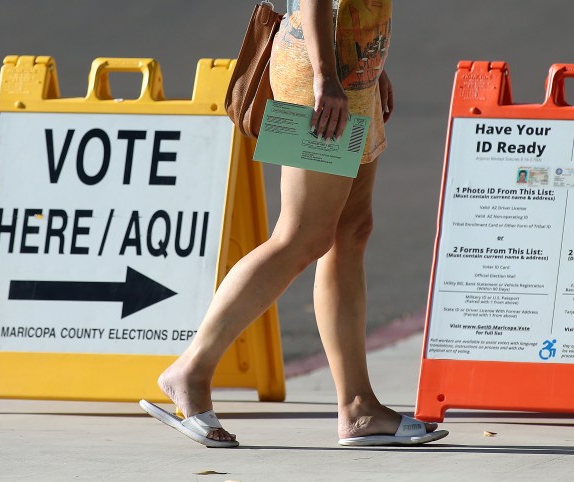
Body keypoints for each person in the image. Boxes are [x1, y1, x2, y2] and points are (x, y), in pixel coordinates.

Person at [140, 0, 448, 448]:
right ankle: (191, 369)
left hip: (351, 73)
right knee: (300, 236)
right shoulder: (321, 75)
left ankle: (359, 409)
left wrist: (370, 67)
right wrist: (327, 75)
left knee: (351, 232)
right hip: (318, 78)